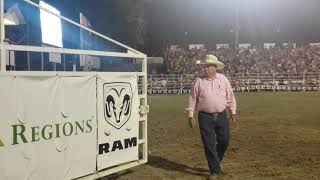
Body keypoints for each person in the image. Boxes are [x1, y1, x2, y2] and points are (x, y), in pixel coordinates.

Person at [185, 54, 237, 179]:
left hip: (221, 115)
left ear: (215, 67)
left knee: (224, 141)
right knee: (209, 144)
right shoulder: (199, 81)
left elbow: (230, 95)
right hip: (205, 116)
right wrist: (190, 115)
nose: (206, 69)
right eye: (205, 66)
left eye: (209, 66)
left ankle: (216, 162)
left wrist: (233, 111)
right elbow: (192, 99)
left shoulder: (223, 79)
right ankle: (214, 171)